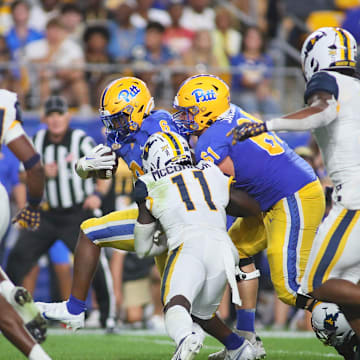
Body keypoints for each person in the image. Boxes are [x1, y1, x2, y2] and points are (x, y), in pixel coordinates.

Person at [172, 74, 325, 360]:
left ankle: (346, 313)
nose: (185, 117)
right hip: (278, 197)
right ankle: (247, 339)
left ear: (207, 108)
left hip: (292, 196)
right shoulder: (232, 116)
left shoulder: (211, 139)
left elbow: (222, 195)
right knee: (235, 250)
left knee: (290, 289)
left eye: (189, 110)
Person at [230, 26, 360, 359]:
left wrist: (267, 124)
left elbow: (323, 110)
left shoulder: (327, 81)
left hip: (355, 199)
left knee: (315, 283)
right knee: (347, 290)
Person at [35, 77, 180, 330]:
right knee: (176, 299)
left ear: (137, 109)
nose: (115, 124)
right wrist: (85, 167)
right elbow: (106, 168)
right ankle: (238, 346)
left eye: (120, 117)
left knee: (90, 232)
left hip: (172, 212)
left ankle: (75, 309)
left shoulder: (159, 125)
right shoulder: (126, 132)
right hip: (155, 212)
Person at [134, 131, 261, 360]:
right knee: (201, 312)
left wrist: (162, 240)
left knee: (176, 303)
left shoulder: (147, 183)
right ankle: (239, 349)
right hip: (224, 248)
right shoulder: (210, 171)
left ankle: (185, 338)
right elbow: (248, 206)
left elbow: (143, 248)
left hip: (189, 244)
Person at [5, 95, 116, 331]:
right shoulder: (37, 140)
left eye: (60, 114)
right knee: (17, 258)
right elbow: (24, 175)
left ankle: (108, 317)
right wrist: (41, 172)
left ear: (68, 116)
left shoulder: (80, 140)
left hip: (76, 213)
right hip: (47, 214)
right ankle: (11, 313)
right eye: (51, 115)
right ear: (45, 118)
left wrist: (98, 194)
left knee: (93, 264)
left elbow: (105, 168)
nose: (55, 120)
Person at [0, 88, 50, 359]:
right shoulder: (3, 101)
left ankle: (38, 356)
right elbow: (35, 165)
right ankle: (11, 292)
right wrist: (32, 206)